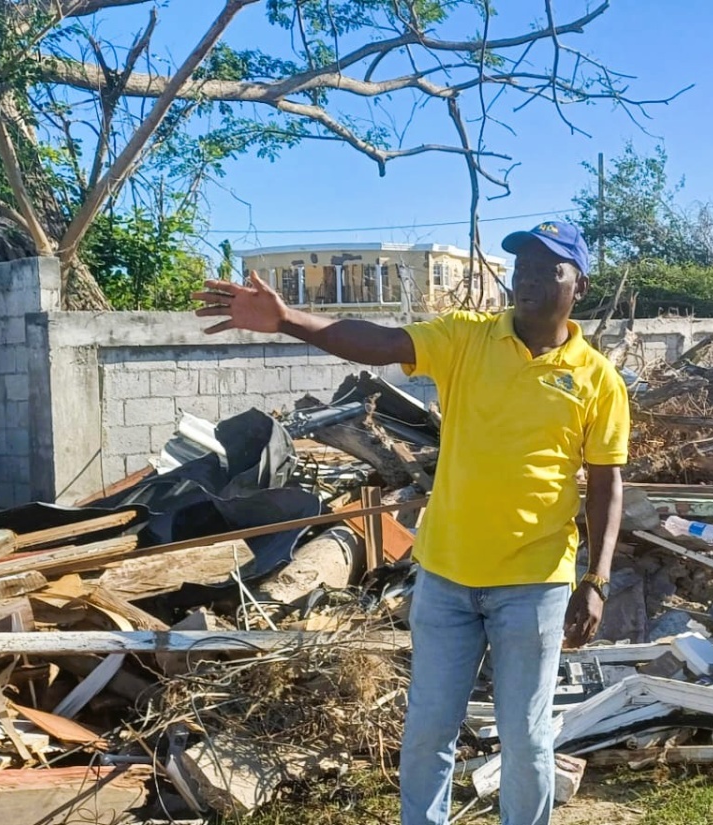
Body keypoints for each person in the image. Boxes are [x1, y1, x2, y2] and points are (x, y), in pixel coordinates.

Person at [195, 221, 630, 825]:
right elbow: (378, 341)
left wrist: (599, 578)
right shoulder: (467, 338)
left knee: (526, 738)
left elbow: (607, 482)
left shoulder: (598, 380)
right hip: (447, 577)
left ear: (577, 283)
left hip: (535, 581)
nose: (528, 274)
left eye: (548, 265)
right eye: (522, 263)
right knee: (429, 731)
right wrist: (290, 319)